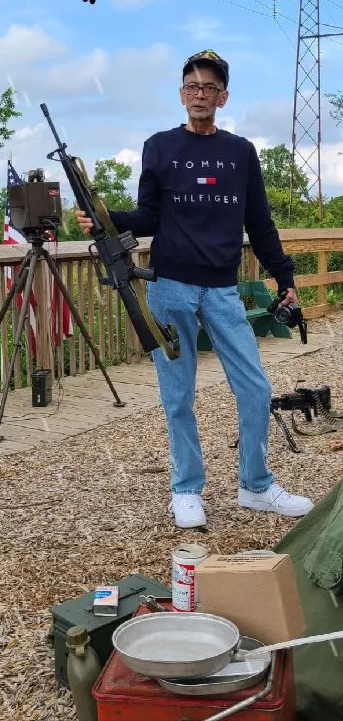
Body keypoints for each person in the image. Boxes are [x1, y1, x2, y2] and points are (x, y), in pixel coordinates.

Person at [76, 48, 314, 529]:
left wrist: (285, 279)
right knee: (178, 396)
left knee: (254, 388)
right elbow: (149, 216)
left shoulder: (241, 153)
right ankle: (186, 489)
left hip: (224, 291)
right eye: (192, 86)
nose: (200, 93)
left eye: (209, 87)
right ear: (182, 94)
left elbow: (260, 224)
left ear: (223, 96)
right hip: (170, 288)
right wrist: (105, 219)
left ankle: (256, 485)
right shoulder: (159, 146)